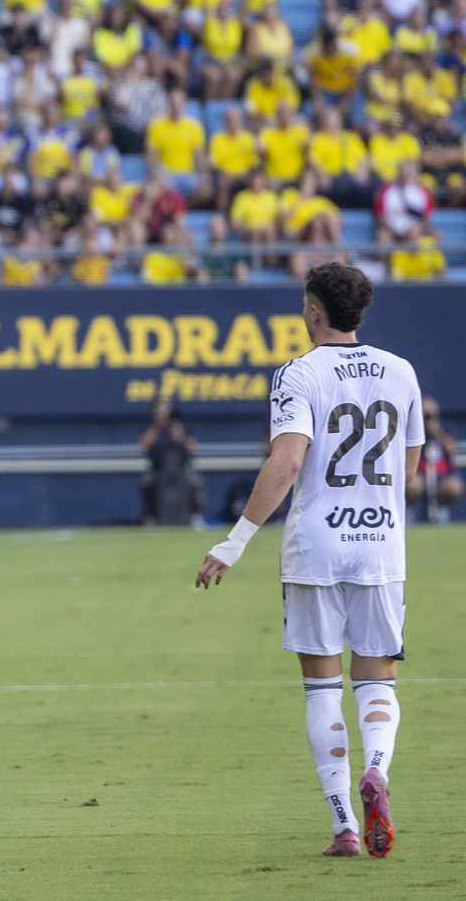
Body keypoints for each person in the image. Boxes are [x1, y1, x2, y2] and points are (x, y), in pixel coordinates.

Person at [195, 262, 422, 859]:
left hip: (317, 546)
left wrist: (235, 539)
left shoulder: (298, 374)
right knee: (377, 679)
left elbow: (288, 461)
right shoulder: (401, 372)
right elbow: (409, 474)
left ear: (314, 311)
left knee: (322, 691)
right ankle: (378, 768)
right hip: (381, 545)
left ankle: (346, 825)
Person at [138, 399, 202, 525]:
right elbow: (143, 446)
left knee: (195, 481)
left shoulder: (180, 427)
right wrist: (157, 426)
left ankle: (194, 516)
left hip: (182, 469)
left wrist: (180, 436)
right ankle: (152, 516)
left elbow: (192, 449)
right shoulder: (152, 429)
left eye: (166, 412)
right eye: (160, 412)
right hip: (158, 470)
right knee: (147, 482)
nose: (163, 415)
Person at [408, 396, 462, 515]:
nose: (428, 419)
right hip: (419, 472)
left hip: (442, 473)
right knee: (412, 484)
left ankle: (442, 511)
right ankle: (410, 511)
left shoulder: (445, 429)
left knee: (453, 486)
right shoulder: (412, 430)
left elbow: (451, 448)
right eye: (425, 415)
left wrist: (436, 430)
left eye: (431, 415)